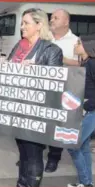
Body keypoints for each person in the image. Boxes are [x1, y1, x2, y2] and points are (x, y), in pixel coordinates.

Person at [0, 8, 63, 187]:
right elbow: (10, 73)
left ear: (39, 25)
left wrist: (37, 70)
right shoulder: (20, 46)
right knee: (23, 153)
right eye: (22, 23)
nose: (22, 26)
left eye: (26, 23)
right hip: (18, 110)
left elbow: (55, 84)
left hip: (36, 114)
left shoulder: (52, 50)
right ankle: (21, 183)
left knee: (33, 154)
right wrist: (3, 66)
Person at [41, 8, 80, 173]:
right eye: (51, 18)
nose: (51, 20)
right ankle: (31, 156)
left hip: (64, 89)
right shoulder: (44, 38)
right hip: (43, 87)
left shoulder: (75, 41)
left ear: (66, 22)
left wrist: (59, 57)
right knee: (40, 123)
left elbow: (81, 64)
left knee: (56, 125)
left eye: (56, 18)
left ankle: (53, 158)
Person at [66, 34, 95, 187]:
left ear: (87, 46)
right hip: (86, 111)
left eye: (78, 43)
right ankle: (86, 182)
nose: (75, 46)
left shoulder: (92, 64)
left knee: (73, 145)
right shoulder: (85, 63)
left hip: (92, 112)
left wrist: (88, 104)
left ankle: (86, 182)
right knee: (83, 147)